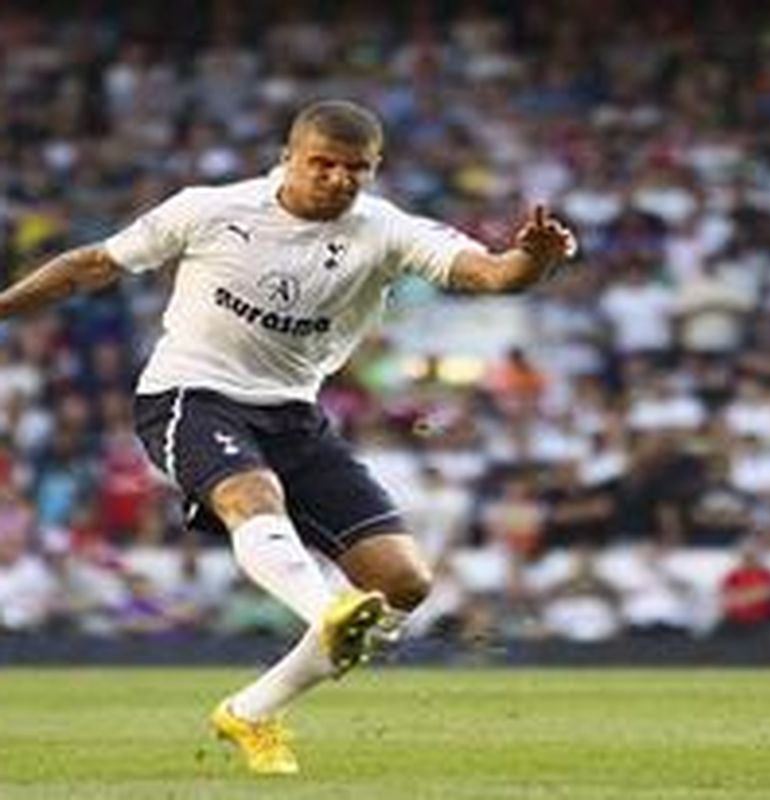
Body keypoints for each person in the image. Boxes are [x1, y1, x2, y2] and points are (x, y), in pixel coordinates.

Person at [0, 99, 577, 774]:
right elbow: (91, 265)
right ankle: (326, 610)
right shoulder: (210, 209)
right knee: (253, 494)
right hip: (190, 394)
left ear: (374, 170)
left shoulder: (385, 230)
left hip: (295, 417)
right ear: (288, 157)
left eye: (354, 169)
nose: (337, 179)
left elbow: (493, 275)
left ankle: (251, 712)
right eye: (321, 164)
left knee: (404, 583)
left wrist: (532, 262)